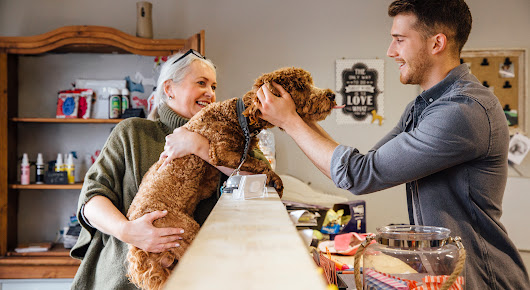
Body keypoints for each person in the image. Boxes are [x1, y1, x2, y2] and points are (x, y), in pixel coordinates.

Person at [254, 1, 529, 289]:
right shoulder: (422, 108)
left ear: (437, 43)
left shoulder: (463, 111)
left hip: (483, 278)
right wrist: (296, 116)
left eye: (399, 40)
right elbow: (363, 165)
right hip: (444, 275)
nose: (390, 51)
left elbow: (359, 175)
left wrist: (290, 121)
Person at [70, 50, 237, 289]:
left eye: (214, 86)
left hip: (198, 278)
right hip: (123, 279)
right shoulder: (132, 133)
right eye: (201, 83)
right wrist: (128, 231)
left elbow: (260, 180)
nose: (210, 93)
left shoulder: (223, 139)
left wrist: (200, 146)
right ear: (169, 89)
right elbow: (91, 200)